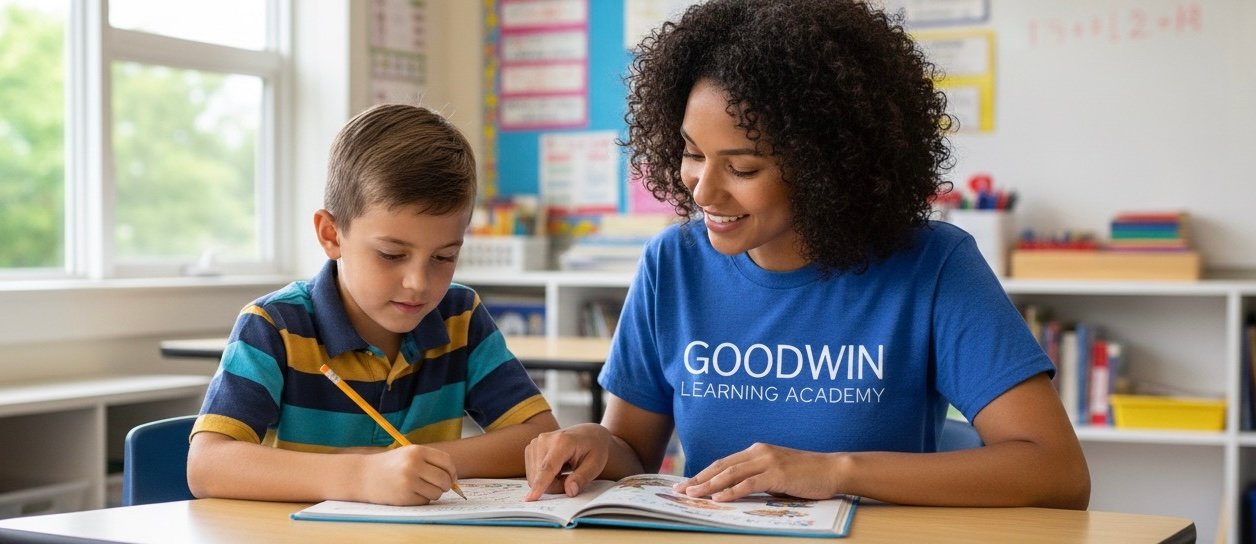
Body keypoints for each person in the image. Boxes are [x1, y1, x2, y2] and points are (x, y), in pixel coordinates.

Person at [524, 0, 1090, 509]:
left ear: (827, 168)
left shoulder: (933, 265)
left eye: (742, 168)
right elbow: (633, 451)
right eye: (692, 154)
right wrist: (592, 444)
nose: (701, 191)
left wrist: (834, 472)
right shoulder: (673, 263)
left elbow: (1056, 470)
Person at [188, 104, 559, 506]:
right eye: (391, 254)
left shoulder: (460, 317)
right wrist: (359, 476)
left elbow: (538, 436)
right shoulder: (275, 326)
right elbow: (208, 465)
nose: (419, 283)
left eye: (444, 257)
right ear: (331, 235)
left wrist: (413, 464)